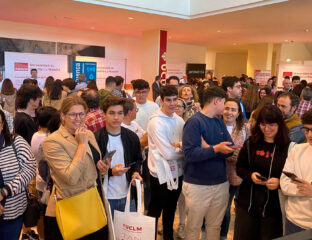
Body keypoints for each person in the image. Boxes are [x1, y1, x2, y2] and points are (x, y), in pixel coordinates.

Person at [43, 96, 111, 239]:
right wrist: (81, 145)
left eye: (81, 114)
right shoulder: (52, 141)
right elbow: (70, 177)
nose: (78, 118)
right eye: (73, 114)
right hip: (72, 206)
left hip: (94, 200)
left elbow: (92, 168)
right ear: (63, 115)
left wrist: (102, 169)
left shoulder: (88, 134)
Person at [182, 86, 234, 240]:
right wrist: (216, 149)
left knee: (214, 227)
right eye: (224, 103)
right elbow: (190, 154)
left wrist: (209, 148)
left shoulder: (219, 123)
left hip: (220, 183)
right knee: (193, 228)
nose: (225, 108)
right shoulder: (194, 123)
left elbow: (230, 149)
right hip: (197, 185)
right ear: (216, 101)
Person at [234, 105, 290, 240]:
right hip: (247, 202)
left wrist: (279, 183)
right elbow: (240, 167)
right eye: (263, 125)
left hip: (273, 207)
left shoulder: (287, 147)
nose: (267, 129)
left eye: (271, 125)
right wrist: (250, 175)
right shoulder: (251, 143)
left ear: (279, 124)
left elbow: (292, 177)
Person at [95, 96, 143, 219]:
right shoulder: (97, 138)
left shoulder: (131, 137)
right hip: (105, 197)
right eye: (111, 113)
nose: (116, 117)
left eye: (120, 113)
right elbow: (91, 170)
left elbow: (137, 160)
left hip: (127, 196)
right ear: (104, 114)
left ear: (124, 114)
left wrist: (136, 173)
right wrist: (111, 172)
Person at [147, 85, 185, 240]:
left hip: (178, 172)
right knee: (155, 209)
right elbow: (168, 153)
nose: (172, 103)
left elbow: (183, 145)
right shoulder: (156, 122)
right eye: (168, 100)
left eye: (175, 99)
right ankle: (149, 236)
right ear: (161, 101)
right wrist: (184, 149)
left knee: (170, 209)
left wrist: (180, 147)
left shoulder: (179, 120)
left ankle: (168, 236)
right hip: (159, 173)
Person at [0, 109, 36, 240]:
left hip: (13, 213)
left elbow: (30, 168)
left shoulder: (16, 142)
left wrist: (5, 191)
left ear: (3, 124)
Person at [220, 98, 250, 240]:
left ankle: (223, 235)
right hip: (216, 173)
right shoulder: (215, 125)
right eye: (227, 108)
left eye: (233, 110)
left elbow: (250, 150)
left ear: (239, 113)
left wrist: (240, 157)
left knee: (226, 208)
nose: (229, 112)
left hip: (236, 175)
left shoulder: (245, 129)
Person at [280, 109, 312, 235]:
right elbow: (285, 185)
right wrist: (307, 190)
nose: (309, 135)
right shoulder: (297, 150)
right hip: (294, 220)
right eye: (307, 130)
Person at [30, 106, 60, 240]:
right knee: (49, 216)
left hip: (39, 179)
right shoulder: (47, 139)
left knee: (44, 213)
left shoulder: (36, 135)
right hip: (47, 182)